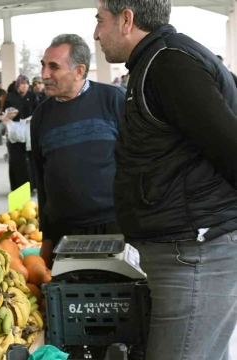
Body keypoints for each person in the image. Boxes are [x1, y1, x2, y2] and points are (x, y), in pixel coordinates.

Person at [95, 1, 237, 359]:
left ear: (126, 19)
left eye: (100, 21)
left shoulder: (170, 65)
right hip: (185, 252)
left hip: (195, 254)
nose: (96, 33)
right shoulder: (156, 62)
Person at [25, 34, 125, 268]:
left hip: (114, 227)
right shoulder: (41, 116)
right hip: (64, 233)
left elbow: (139, 163)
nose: (45, 75)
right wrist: (47, 235)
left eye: (53, 67)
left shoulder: (113, 101)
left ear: (79, 71)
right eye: (43, 65)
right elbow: (42, 176)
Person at [3, 74, 40, 192]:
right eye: (22, 84)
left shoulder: (32, 96)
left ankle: (33, 185)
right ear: (18, 85)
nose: (25, 86)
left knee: (31, 158)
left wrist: (32, 118)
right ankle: (18, 186)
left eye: (27, 84)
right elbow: (4, 113)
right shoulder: (10, 97)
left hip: (29, 130)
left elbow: (38, 111)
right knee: (16, 159)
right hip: (15, 132)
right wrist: (8, 117)